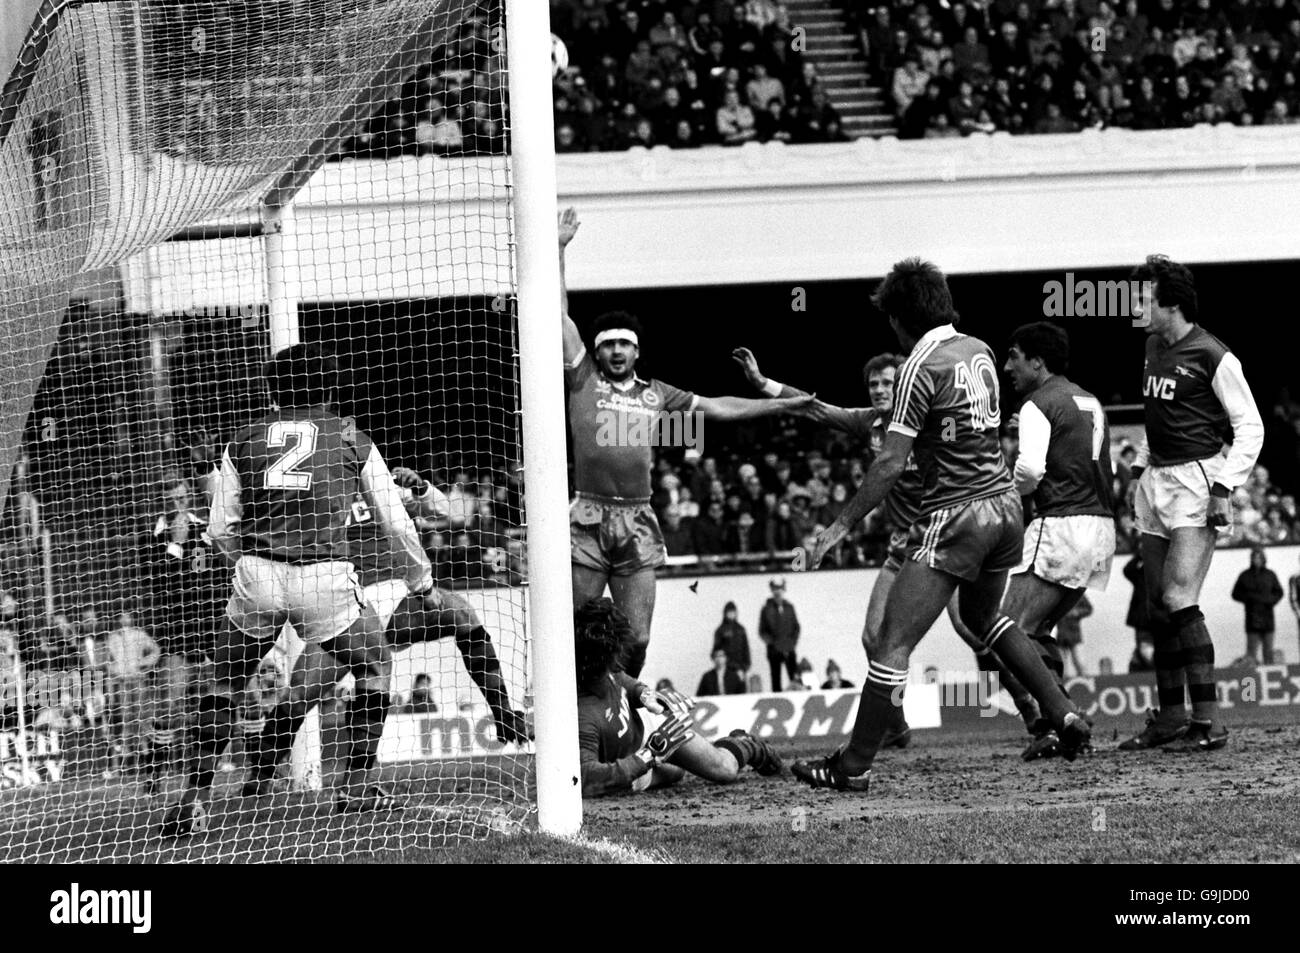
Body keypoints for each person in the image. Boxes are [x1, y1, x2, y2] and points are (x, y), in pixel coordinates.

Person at [792, 257, 1090, 792]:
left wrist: (834, 530)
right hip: (1005, 509)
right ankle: (1062, 711)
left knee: (890, 644)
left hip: (958, 513)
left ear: (901, 318)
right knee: (986, 619)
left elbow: (888, 462)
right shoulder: (979, 349)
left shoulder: (917, 367)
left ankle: (852, 766)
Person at [161, 343, 434, 837]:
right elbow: (395, 521)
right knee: (374, 666)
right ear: (329, 388)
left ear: (271, 390)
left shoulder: (241, 440)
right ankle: (354, 787)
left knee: (224, 686)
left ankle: (192, 801)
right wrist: (422, 581)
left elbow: (221, 528)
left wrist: (245, 566)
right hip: (322, 576)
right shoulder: (351, 436)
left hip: (258, 574)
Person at [733, 347, 1043, 744]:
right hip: (903, 550)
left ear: (906, 386)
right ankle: (895, 726)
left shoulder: (932, 420)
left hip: (946, 540)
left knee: (972, 629)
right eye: (873, 384)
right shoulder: (871, 423)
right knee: (873, 639)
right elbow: (815, 409)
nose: (880, 389)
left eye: (888, 382)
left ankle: (1028, 704)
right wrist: (764, 384)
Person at [557, 208, 811, 677]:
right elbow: (560, 315)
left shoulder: (658, 393)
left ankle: (629, 712)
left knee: (638, 637)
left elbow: (720, 407)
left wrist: (779, 404)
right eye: (608, 343)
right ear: (597, 351)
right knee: (578, 631)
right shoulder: (583, 380)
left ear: (636, 350)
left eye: (624, 344)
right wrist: (559, 249)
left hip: (636, 517)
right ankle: (585, 722)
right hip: (589, 515)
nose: (615, 350)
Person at [1123, 256, 1263, 752]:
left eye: (1143, 298)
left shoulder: (1213, 354)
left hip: (1196, 482)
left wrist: (1226, 487)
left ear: (1171, 304)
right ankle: (1169, 719)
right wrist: (1139, 466)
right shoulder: (1151, 346)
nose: (1134, 305)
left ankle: (1210, 723)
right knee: (1156, 608)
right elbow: (1160, 416)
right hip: (1157, 478)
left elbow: (1251, 427)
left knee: (1179, 597)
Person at [1000, 322, 1117, 759]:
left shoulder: (1037, 403)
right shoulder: (1089, 399)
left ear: (1037, 361)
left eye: (1013, 356)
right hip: (1100, 528)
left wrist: (1010, 496)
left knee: (1004, 628)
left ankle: (1062, 718)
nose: (1007, 366)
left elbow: (1030, 471)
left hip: (1061, 523)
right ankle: (1061, 723)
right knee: (1038, 630)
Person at [575, 597, 781, 796]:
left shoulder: (595, 665)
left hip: (650, 728)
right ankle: (670, 759)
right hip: (636, 757)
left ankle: (746, 744)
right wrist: (648, 755)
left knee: (724, 769)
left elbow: (620, 679)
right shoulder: (583, 715)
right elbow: (585, 778)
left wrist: (645, 694)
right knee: (676, 772)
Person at [103, 611, 161, 766]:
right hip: (122, 681)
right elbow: (108, 660)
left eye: (127, 615)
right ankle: (127, 750)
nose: (125, 618)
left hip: (138, 679)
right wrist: (115, 671)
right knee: (126, 714)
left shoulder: (140, 634)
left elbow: (156, 651)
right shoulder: (112, 637)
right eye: (122, 615)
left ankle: (144, 749)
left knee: (141, 714)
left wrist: (143, 663)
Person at [1231, 547, 1284, 665]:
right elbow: (1235, 594)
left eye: (1259, 557)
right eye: (1254, 557)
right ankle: (1252, 679)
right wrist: (1249, 599)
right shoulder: (1245, 575)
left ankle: (1269, 675)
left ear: (1264, 559)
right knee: (1251, 652)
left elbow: (1279, 592)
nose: (1257, 560)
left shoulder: (1270, 575)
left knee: (1268, 651)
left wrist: (1270, 600)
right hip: (1252, 617)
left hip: (1268, 616)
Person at [758, 577, 800, 691]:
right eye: (775, 589)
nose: (778, 592)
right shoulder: (766, 609)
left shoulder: (789, 608)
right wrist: (773, 643)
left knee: (795, 678)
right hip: (774, 650)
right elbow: (762, 631)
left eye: (780, 589)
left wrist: (792, 643)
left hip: (789, 649)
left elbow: (796, 627)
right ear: (772, 591)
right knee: (776, 680)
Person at [1053, 594, 1092, 677]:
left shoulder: (1077, 591)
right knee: (1062, 666)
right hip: (1060, 635)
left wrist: (1077, 612)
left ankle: (1085, 682)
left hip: (1074, 634)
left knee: (1080, 662)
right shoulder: (1056, 593)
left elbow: (1088, 609)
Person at [711, 601, 751, 680]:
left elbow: (746, 649)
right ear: (725, 613)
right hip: (726, 670)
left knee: (741, 690)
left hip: (741, 669)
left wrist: (745, 667)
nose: (731, 614)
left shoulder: (741, 629)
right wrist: (721, 666)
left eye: (733, 612)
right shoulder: (720, 631)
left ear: (736, 613)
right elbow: (716, 651)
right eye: (729, 612)